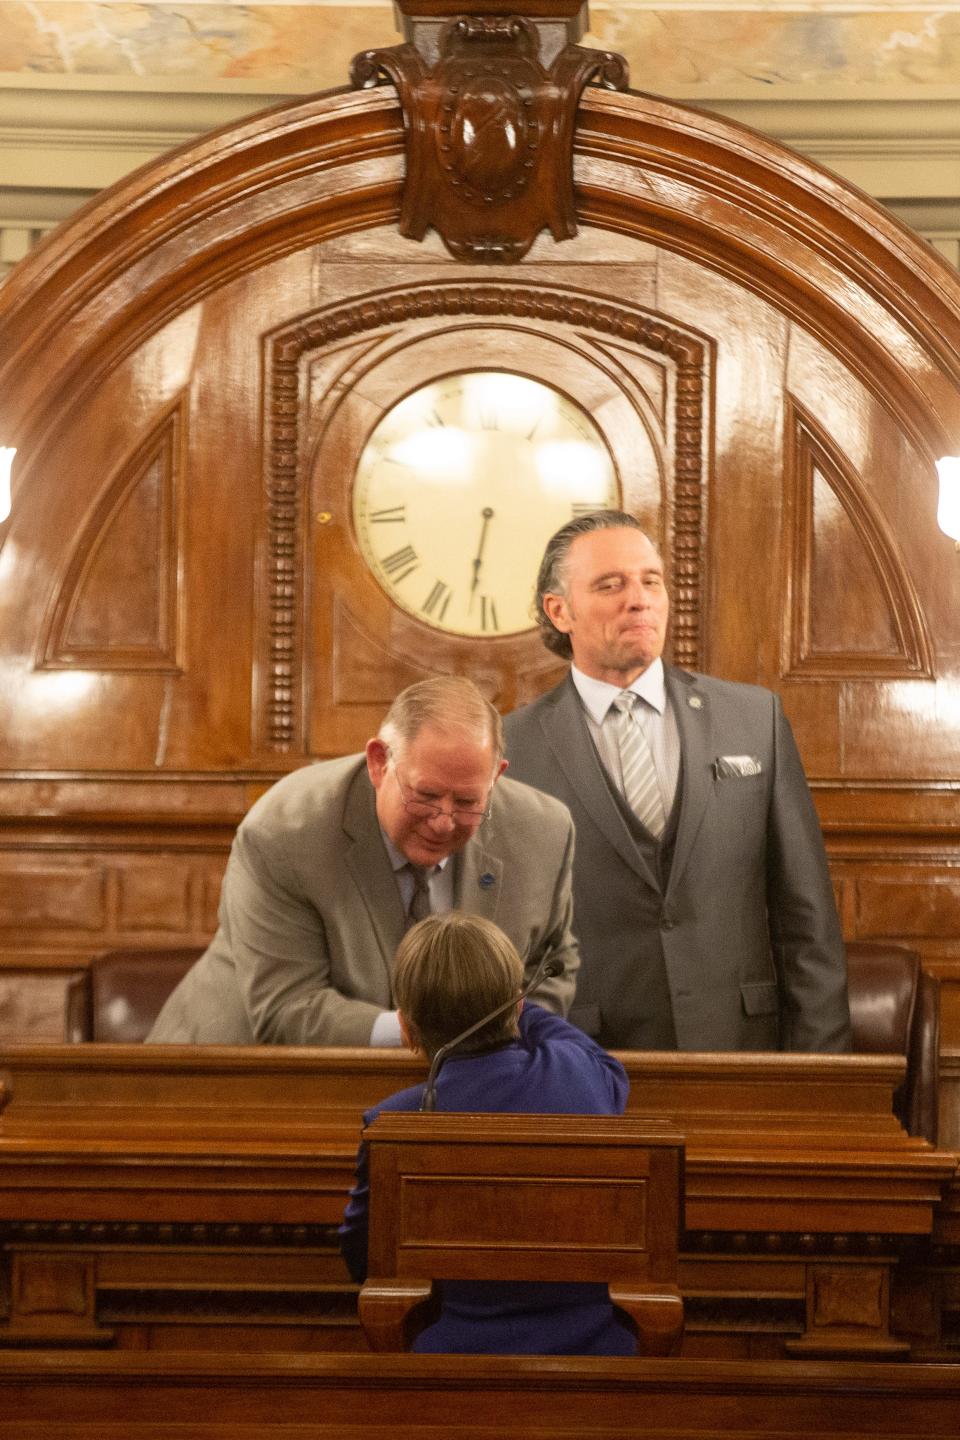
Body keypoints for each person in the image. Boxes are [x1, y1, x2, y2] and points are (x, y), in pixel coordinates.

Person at [503, 511, 851, 1053]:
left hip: (740, 1050)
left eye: (651, 580)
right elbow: (503, 933)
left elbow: (807, 917)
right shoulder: (512, 748)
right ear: (559, 610)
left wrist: (821, 1078)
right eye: (610, 584)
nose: (638, 599)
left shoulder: (753, 720)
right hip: (585, 1061)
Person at [147, 677, 577, 1045]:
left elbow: (552, 966)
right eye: (424, 796)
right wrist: (425, 1033)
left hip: (455, 1086)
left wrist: (498, 1037)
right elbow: (288, 1008)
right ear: (378, 763)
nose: (444, 822)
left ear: (497, 776)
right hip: (236, 1077)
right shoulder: (286, 833)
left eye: (467, 801)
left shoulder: (543, 832)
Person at [338, 912, 635, 1355]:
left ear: (405, 1029)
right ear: (517, 1006)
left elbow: (363, 1256)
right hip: (594, 1354)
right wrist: (508, 1000)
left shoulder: (395, 1121)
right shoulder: (577, 1075)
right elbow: (597, 1058)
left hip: (451, 1362)